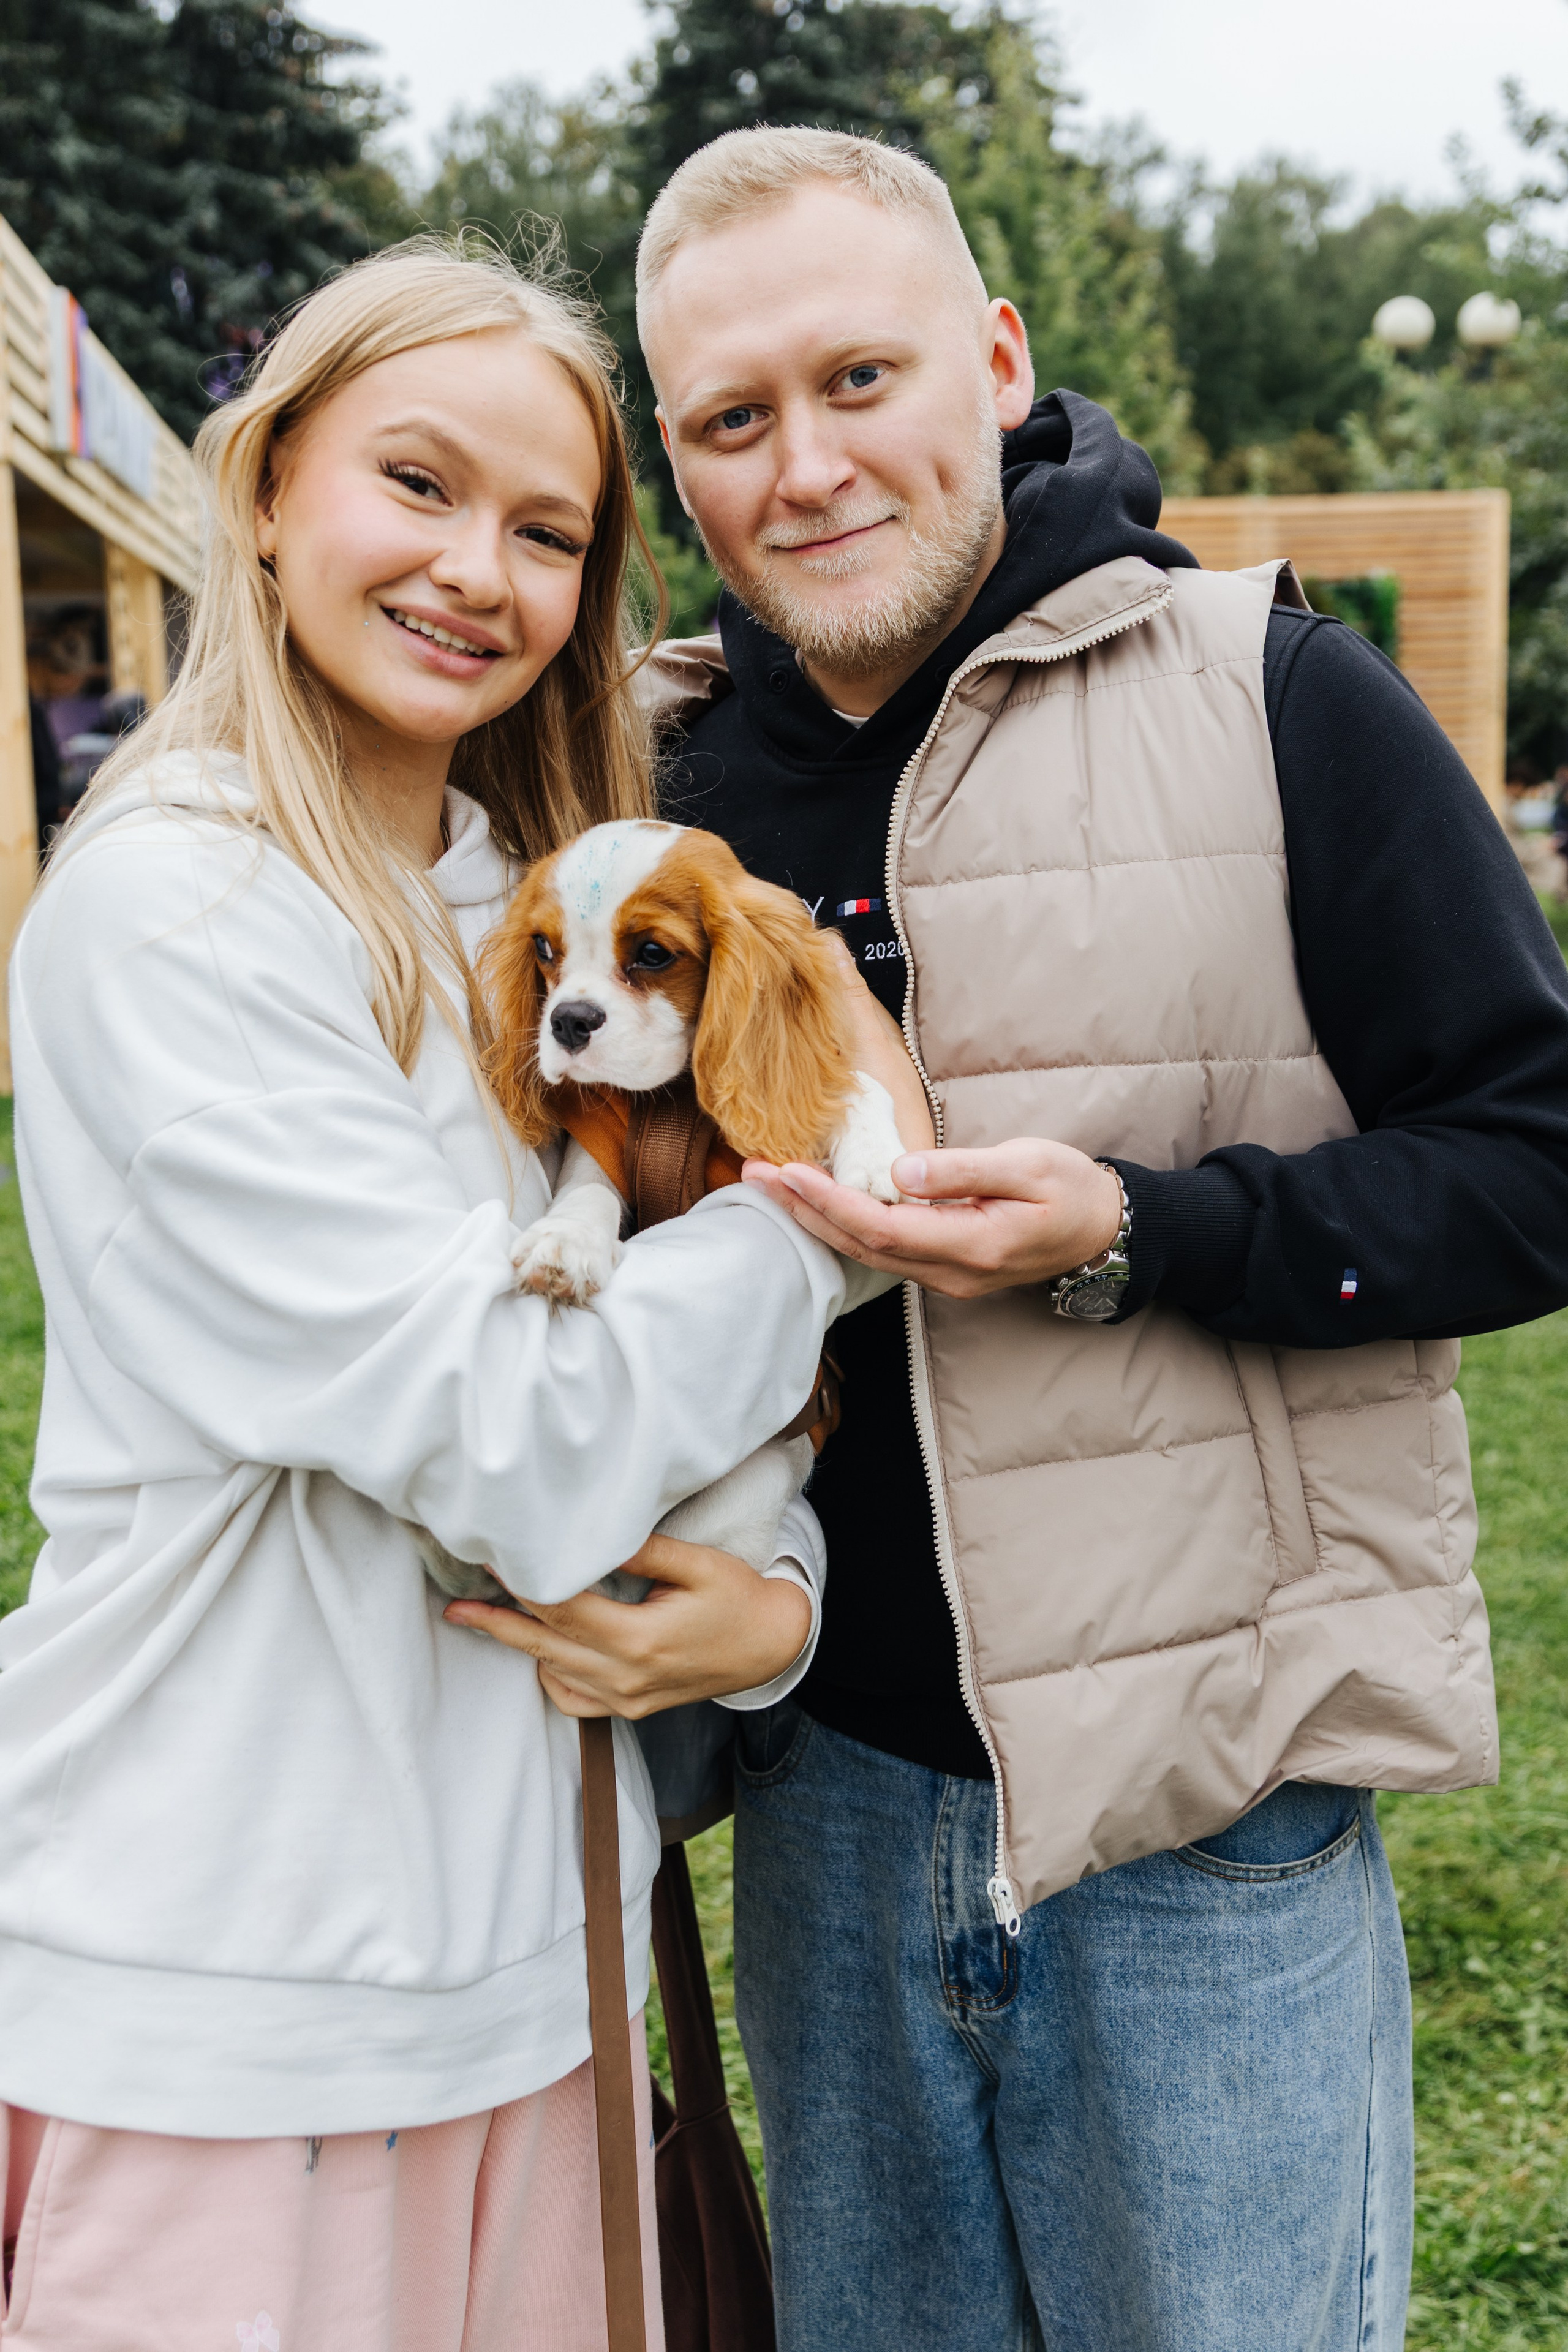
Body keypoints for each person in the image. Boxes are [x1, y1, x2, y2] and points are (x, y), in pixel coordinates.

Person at [521, 128, 1568, 2352]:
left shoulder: (1276, 699)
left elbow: (1542, 1151)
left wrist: (1149, 1229)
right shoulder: (663, 796)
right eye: (729, 421)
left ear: (995, 360)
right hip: (823, 1805)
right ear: (679, 471)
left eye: (860, 378)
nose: (806, 467)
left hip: (1212, 1822)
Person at [0, 236, 907, 2348]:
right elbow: (514, 1440)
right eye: (415, 483)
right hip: (243, 2001)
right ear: (266, 488)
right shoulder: (178, 910)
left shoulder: (536, 908)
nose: (477, 570)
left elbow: (657, 1366)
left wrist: (768, 1606)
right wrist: (828, 1218)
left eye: (547, 531)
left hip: (545, 1973)